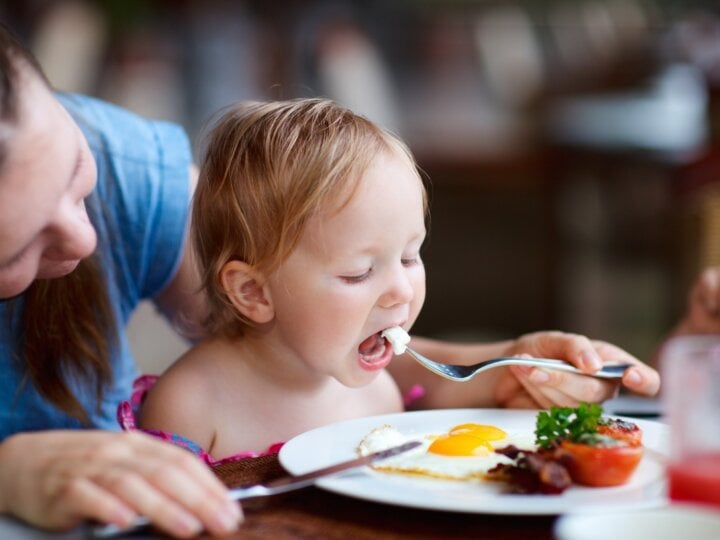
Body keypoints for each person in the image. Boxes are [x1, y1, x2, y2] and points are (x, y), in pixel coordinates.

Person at [0, 21, 659, 536]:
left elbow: (355, 363)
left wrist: (502, 367)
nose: (86, 241)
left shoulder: (365, 377)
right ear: (250, 292)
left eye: (78, 174)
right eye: (19, 250)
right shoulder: (191, 408)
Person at [126, 99, 660, 461]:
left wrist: (532, 366)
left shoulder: (380, 385)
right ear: (254, 292)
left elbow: (451, 384)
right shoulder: (192, 407)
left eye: (410, 257)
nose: (402, 291)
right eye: (359, 271)